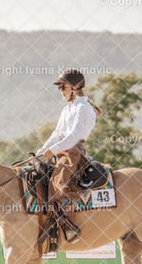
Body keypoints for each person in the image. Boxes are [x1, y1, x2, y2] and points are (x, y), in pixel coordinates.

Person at [36, 69, 101, 242]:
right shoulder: (67, 109)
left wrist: (53, 150)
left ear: (76, 86)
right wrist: (39, 154)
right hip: (60, 149)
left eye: (63, 87)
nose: (60, 91)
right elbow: (56, 134)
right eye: (59, 87)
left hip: (73, 152)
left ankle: (67, 225)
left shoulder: (84, 109)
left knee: (59, 184)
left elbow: (74, 136)